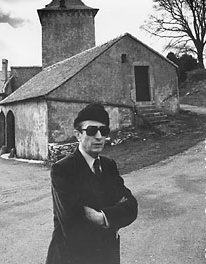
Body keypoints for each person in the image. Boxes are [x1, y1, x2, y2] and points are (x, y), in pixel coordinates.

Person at [46, 103, 138, 264]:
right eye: (91, 130)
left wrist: (101, 217)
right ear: (78, 135)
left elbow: (131, 206)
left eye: (103, 131)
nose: (98, 136)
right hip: (72, 257)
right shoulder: (63, 169)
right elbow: (72, 225)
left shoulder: (109, 166)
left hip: (108, 256)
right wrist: (114, 217)